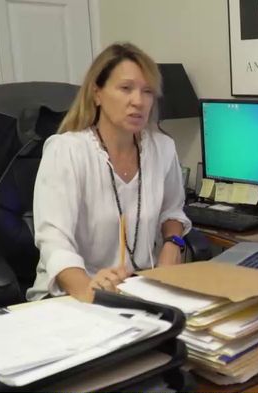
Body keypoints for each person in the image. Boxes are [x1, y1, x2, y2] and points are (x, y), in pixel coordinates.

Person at [26, 42, 191, 302]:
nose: (138, 101)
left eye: (147, 91)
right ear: (97, 94)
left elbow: (172, 211)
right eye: (126, 88)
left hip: (138, 290)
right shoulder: (66, 151)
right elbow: (54, 241)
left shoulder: (163, 148)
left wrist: (173, 244)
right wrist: (88, 290)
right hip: (72, 294)